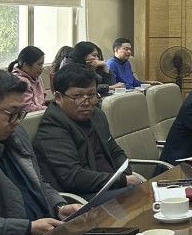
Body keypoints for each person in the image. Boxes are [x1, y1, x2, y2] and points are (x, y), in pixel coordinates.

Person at [0, 69, 81, 235]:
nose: (17, 121)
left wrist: (59, 206)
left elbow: (38, 182)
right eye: (11, 113)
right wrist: (28, 228)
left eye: (21, 113)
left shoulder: (16, 136)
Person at [33, 64, 141, 204]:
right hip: (84, 198)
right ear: (58, 97)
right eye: (78, 96)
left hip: (111, 186)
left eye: (91, 95)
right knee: (142, 197)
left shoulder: (97, 115)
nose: (87, 102)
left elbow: (116, 152)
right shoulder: (52, 127)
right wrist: (122, 181)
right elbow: (73, 177)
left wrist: (125, 175)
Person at [8, 45, 47, 112]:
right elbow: (27, 108)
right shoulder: (21, 81)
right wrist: (48, 109)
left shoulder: (37, 77)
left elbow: (40, 101)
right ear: (26, 65)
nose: (42, 68)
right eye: (39, 64)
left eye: (42, 64)